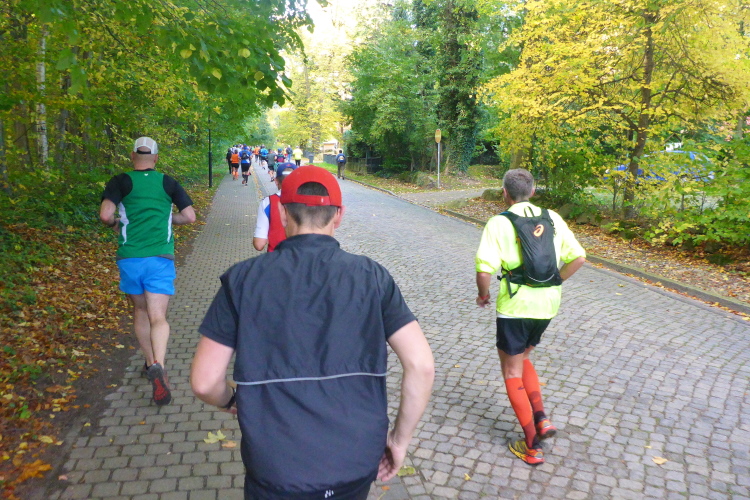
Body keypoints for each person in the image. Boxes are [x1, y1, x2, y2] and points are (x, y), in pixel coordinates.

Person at [191, 166, 434, 500]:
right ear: (339, 215)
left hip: (275, 466)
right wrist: (399, 440)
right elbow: (421, 366)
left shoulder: (242, 279)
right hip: (355, 459)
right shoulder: (372, 277)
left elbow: (204, 382)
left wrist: (232, 400)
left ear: (281, 212)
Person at [475, 168, 585, 465]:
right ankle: (542, 418)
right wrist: (556, 281)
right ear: (533, 192)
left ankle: (532, 446)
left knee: (511, 371)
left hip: (515, 306)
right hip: (548, 304)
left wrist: (483, 295)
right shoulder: (553, 218)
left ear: (505, 193)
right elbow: (579, 257)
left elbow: (484, 270)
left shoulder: (499, 222)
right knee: (523, 357)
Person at [100, 137, 196, 406]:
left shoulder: (120, 181)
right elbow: (190, 216)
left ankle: (148, 361)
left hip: (130, 258)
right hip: (160, 257)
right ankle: (159, 366)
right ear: (155, 158)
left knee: (140, 311)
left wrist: (117, 223)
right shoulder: (168, 182)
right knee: (158, 317)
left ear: (133, 156)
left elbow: (105, 215)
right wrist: (168, 218)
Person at [252, 162, 297, 252]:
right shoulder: (310, 202)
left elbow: (259, 244)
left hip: (276, 257)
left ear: (276, 181)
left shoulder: (268, 202)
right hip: (303, 259)